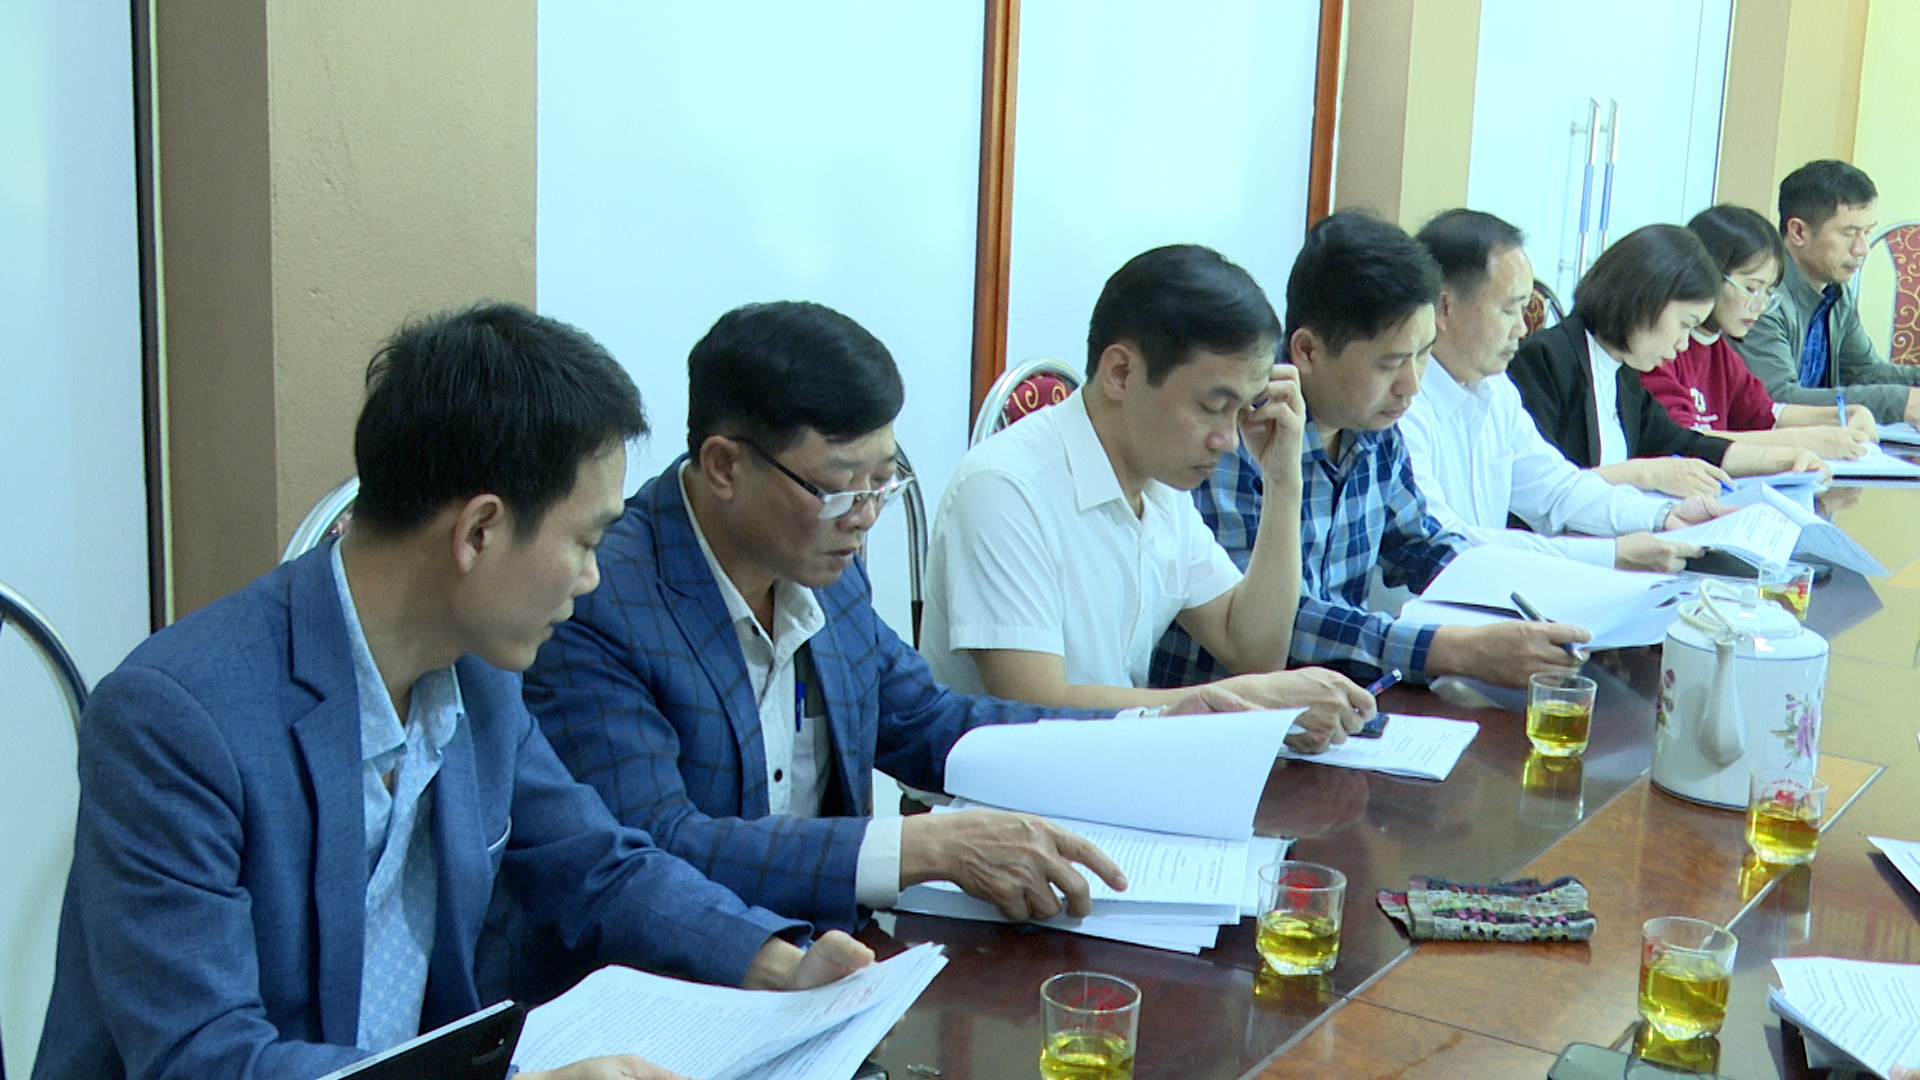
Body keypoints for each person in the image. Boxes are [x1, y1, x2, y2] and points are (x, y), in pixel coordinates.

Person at [32, 304, 873, 1080]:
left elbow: (596, 865)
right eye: (585, 543)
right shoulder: (175, 718)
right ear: (478, 531)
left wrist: (778, 965)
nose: (591, 580)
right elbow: (203, 1058)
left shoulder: (480, 677)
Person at [521, 299, 1262, 941]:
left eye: (883, 480)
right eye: (842, 486)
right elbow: (656, 843)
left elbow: (926, 722)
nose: (867, 516)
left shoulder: (822, 557)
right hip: (682, 978)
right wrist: (920, 848)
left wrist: (1151, 729)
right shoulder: (600, 597)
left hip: (836, 952)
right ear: (723, 466)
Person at [917, 244, 1371, 739]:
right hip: (1010, 783)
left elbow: (1253, 650)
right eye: (1211, 407)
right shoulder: (1005, 488)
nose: (1227, 440)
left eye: (1243, 409)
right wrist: (1244, 703)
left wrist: (1283, 481)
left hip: (1117, 765)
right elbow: (1034, 707)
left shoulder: (1159, 484)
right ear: (1121, 373)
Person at [1153, 211, 1590, 691]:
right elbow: (1282, 622)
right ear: (1307, 351)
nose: (1411, 385)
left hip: (1342, 704)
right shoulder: (1236, 434)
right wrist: (1453, 649)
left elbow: (1421, 544)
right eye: (1390, 364)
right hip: (1234, 710)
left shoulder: (1374, 427)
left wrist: (1532, 599)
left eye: (1423, 354)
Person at [1401, 209, 1726, 573]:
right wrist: (1611, 554)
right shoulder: (1401, 405)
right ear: (1444, 307)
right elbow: (1445, 542)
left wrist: (1663, 514)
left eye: (1525, 309)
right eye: (1509, 310)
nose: (1521, 328)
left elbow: (1556, 488)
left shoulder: (1495, 388)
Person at [1509, 224, 1829, 499]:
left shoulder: (1623, 373)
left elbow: (1685, 442)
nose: (1683, 343)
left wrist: (1784, 461)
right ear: (1644, 300)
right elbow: (1539, 489)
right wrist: (1646, 474)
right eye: (1684, 324)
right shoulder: (1547, 359)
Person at [1640, 204, 1879, 458]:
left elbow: (1766, 413)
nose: (1760, 306)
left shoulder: (1719, 350)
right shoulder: (1661, 349)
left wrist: (1843, 415)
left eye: (1768, 292)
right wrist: (1799, 441)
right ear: (1707, 274)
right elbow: (1682, 439)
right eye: (1752, 288)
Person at [1732, 159, 1920, 425]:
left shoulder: (1835, 290)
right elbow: (1777, 401)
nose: (1862, 249)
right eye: (1849, 233)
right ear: (1799, 231)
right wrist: (1897, 402)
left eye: (1867, 232)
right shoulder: (1760, 297)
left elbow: (1863, 372)